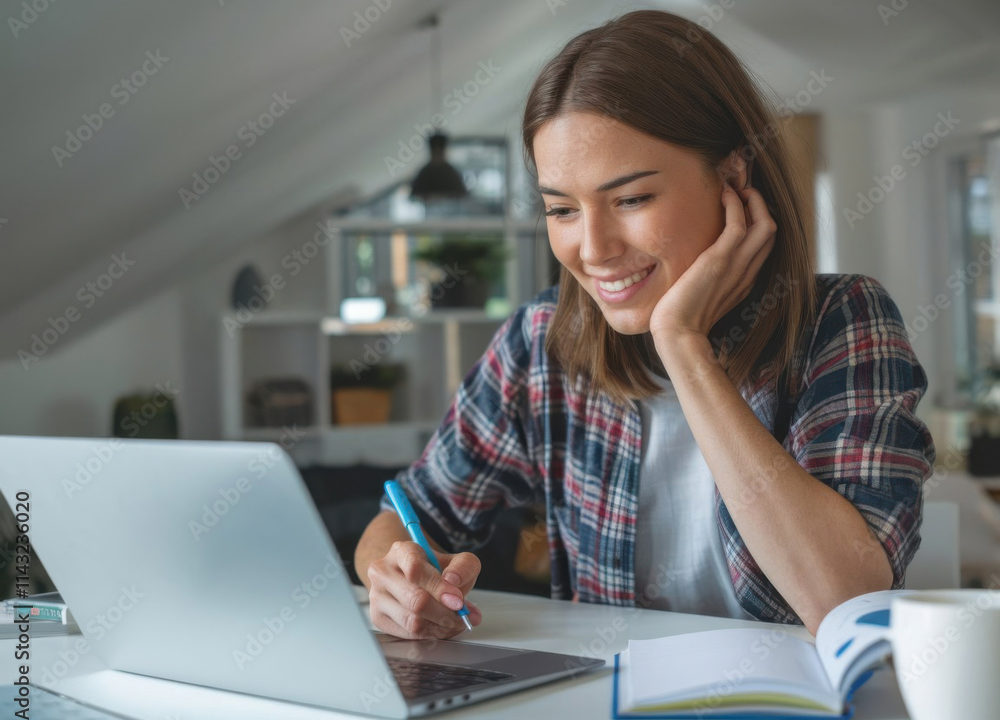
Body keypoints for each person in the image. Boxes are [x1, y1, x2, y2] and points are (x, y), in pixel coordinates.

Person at [354, 9, 935, 639]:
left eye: (631, 199)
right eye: (562, 209)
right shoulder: (540, 341)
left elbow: (846, 600)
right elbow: (404, 516)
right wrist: (395, 580)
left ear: (734, 177)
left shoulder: (842, 321)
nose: (594, 248)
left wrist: (684, 348)